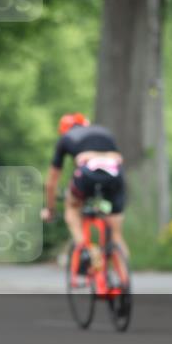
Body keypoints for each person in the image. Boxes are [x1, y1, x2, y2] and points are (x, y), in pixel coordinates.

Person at [41, 113, 129, 280]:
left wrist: (50, 209)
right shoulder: (104, 132)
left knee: (72, 208)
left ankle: (86, 250)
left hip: (88, 175)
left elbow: (51, 183)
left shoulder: (66, 138)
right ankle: (125, 283)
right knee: (116, 235)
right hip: (115, 175)